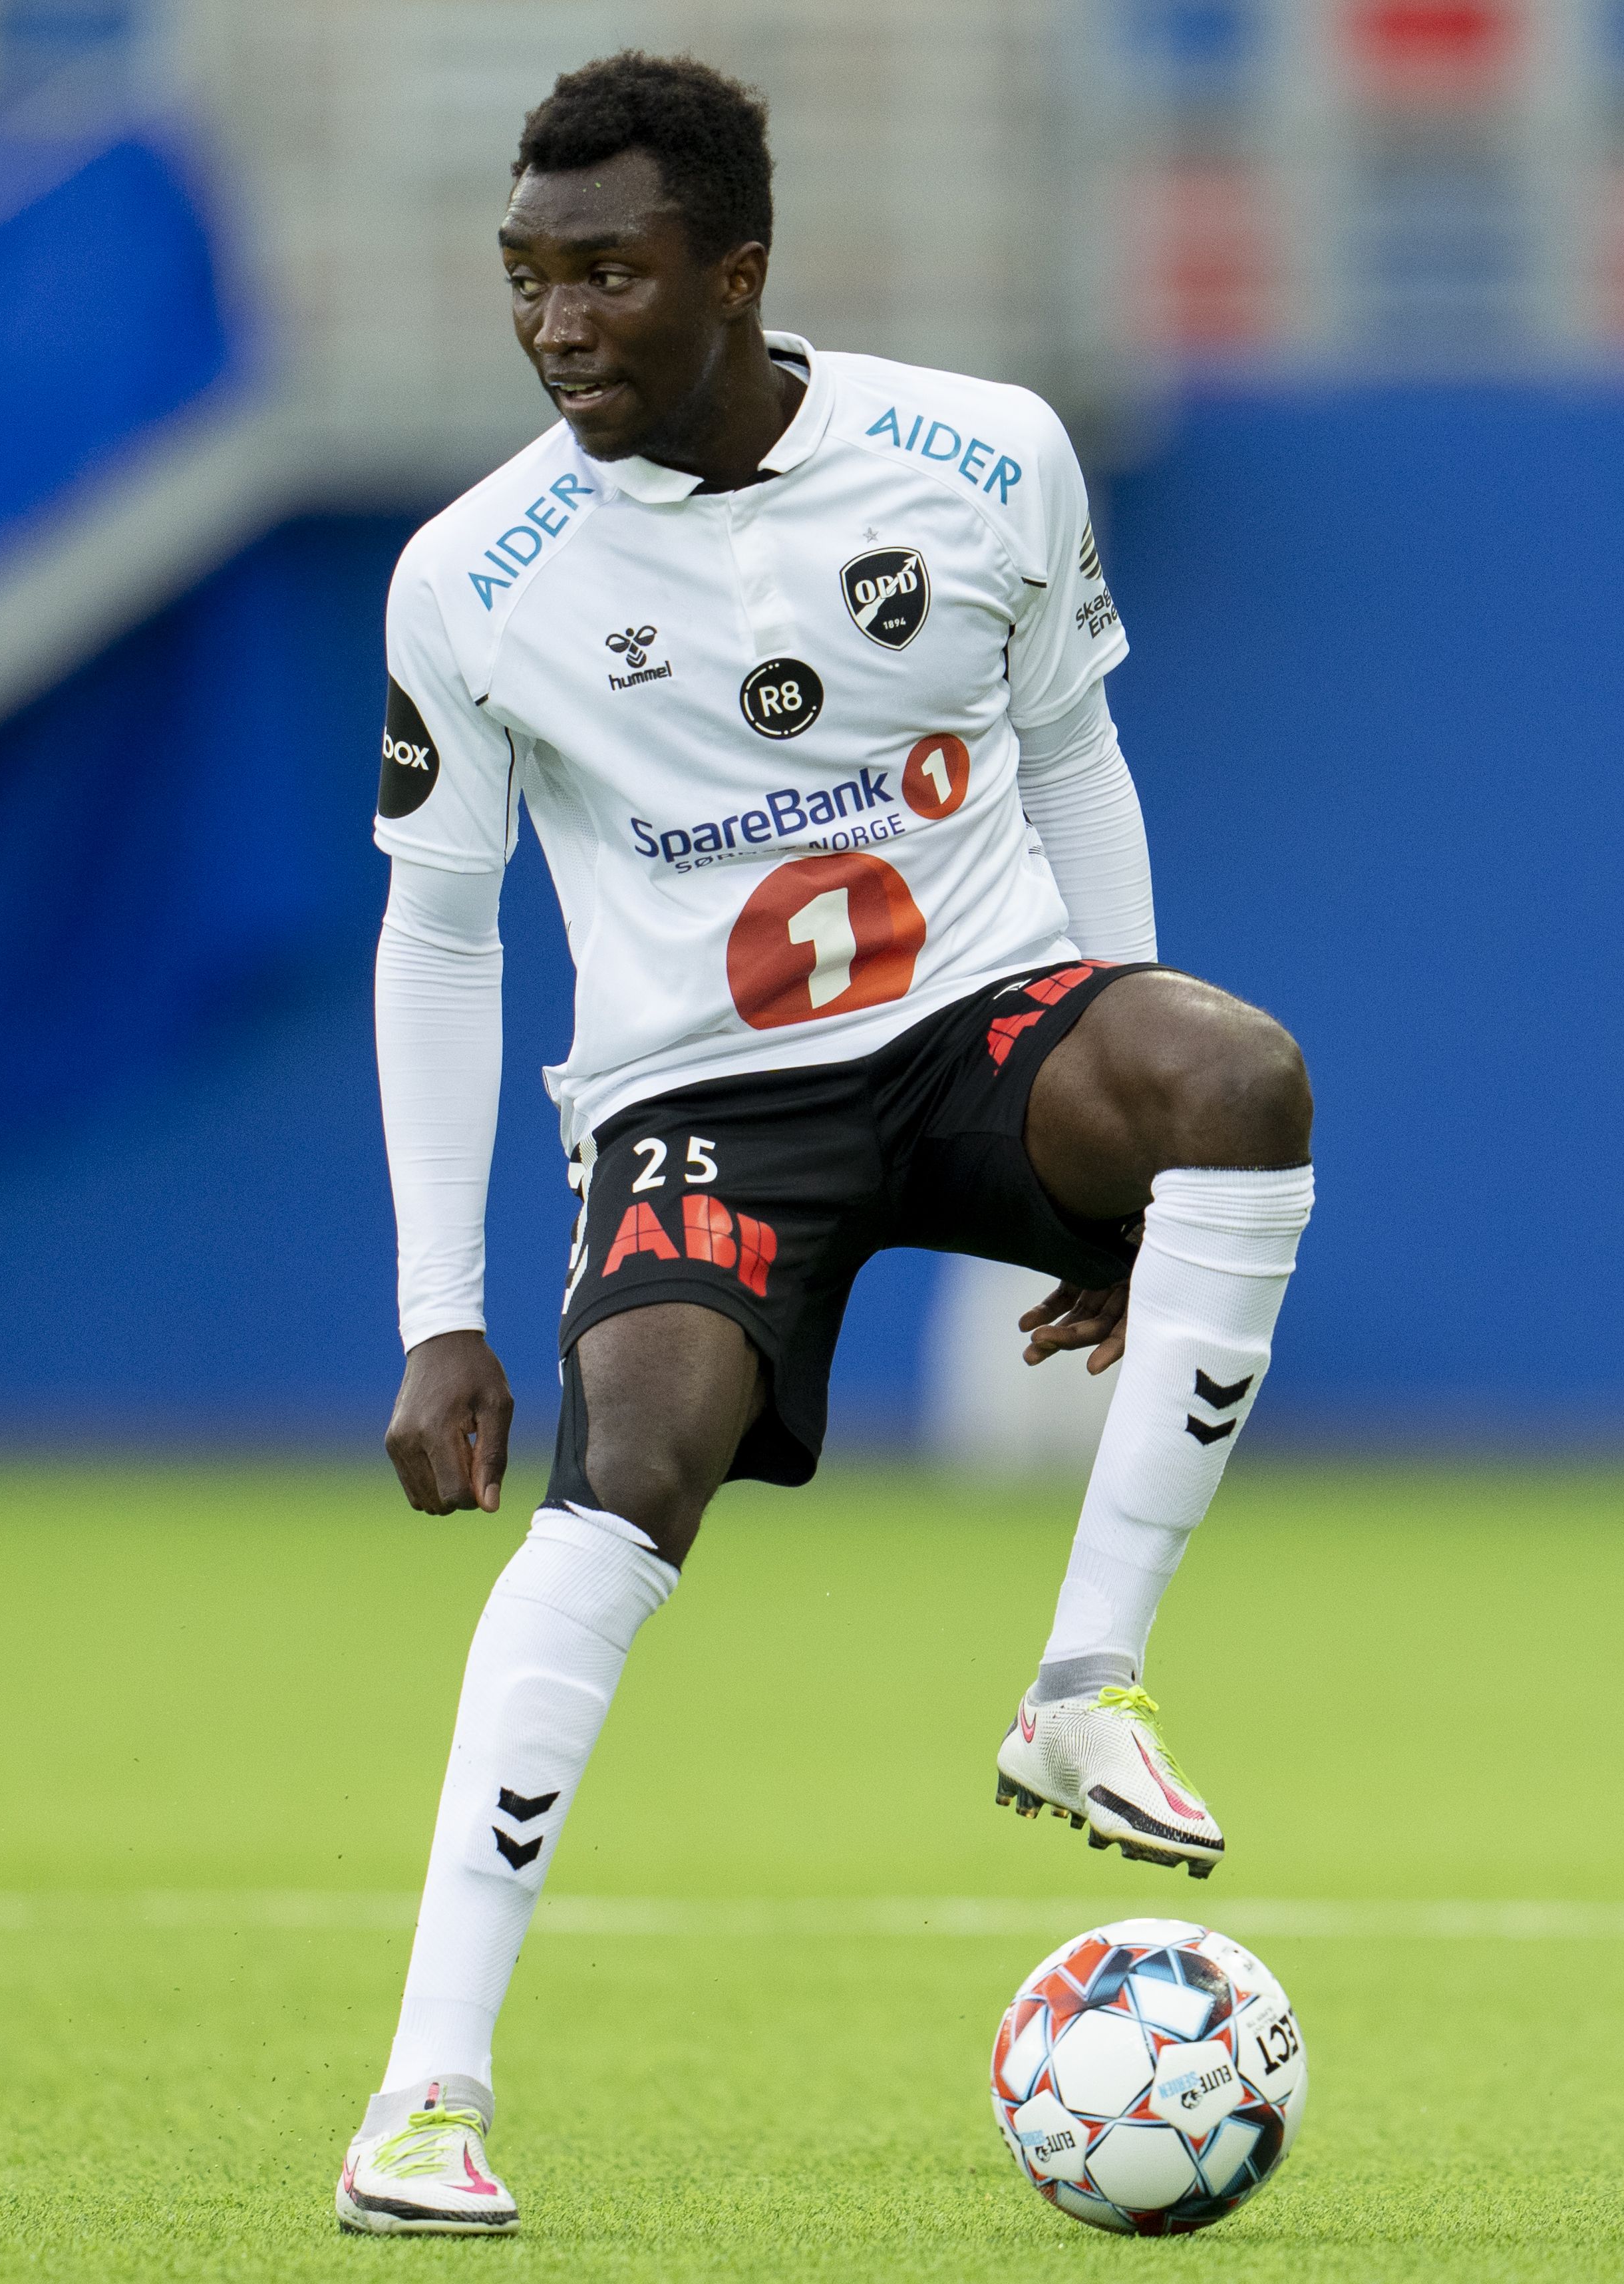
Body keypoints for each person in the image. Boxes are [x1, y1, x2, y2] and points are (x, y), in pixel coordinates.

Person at [337, 51, 1315, 2238]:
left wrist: (1128, 1158)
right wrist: (438, 1310)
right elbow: (437, 933)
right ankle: (422, 2098)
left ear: (737, 270)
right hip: (700, 1097)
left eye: (608, 273)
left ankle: (1085, 1685)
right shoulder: (472, 574)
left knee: (1240, 1082)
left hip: (978, 1024)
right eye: (526, 277)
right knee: (633, 1465)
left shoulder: (987, 456)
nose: (557, 324)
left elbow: (1073, 759)